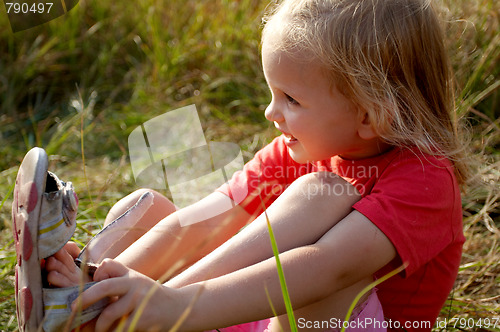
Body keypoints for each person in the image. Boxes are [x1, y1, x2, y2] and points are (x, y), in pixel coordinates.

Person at [44, 0, 468, 331]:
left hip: (318, 322)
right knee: (145, 206)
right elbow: (210, 217)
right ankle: (81, 299)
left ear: (368, 113)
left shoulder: (427, 181)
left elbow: (329, 265)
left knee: (321, 193)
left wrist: (173, 304)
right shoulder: (300, 148)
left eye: (291, 99)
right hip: (239, 313)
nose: (271, 112)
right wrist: (102, 274)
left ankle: (137, 315)